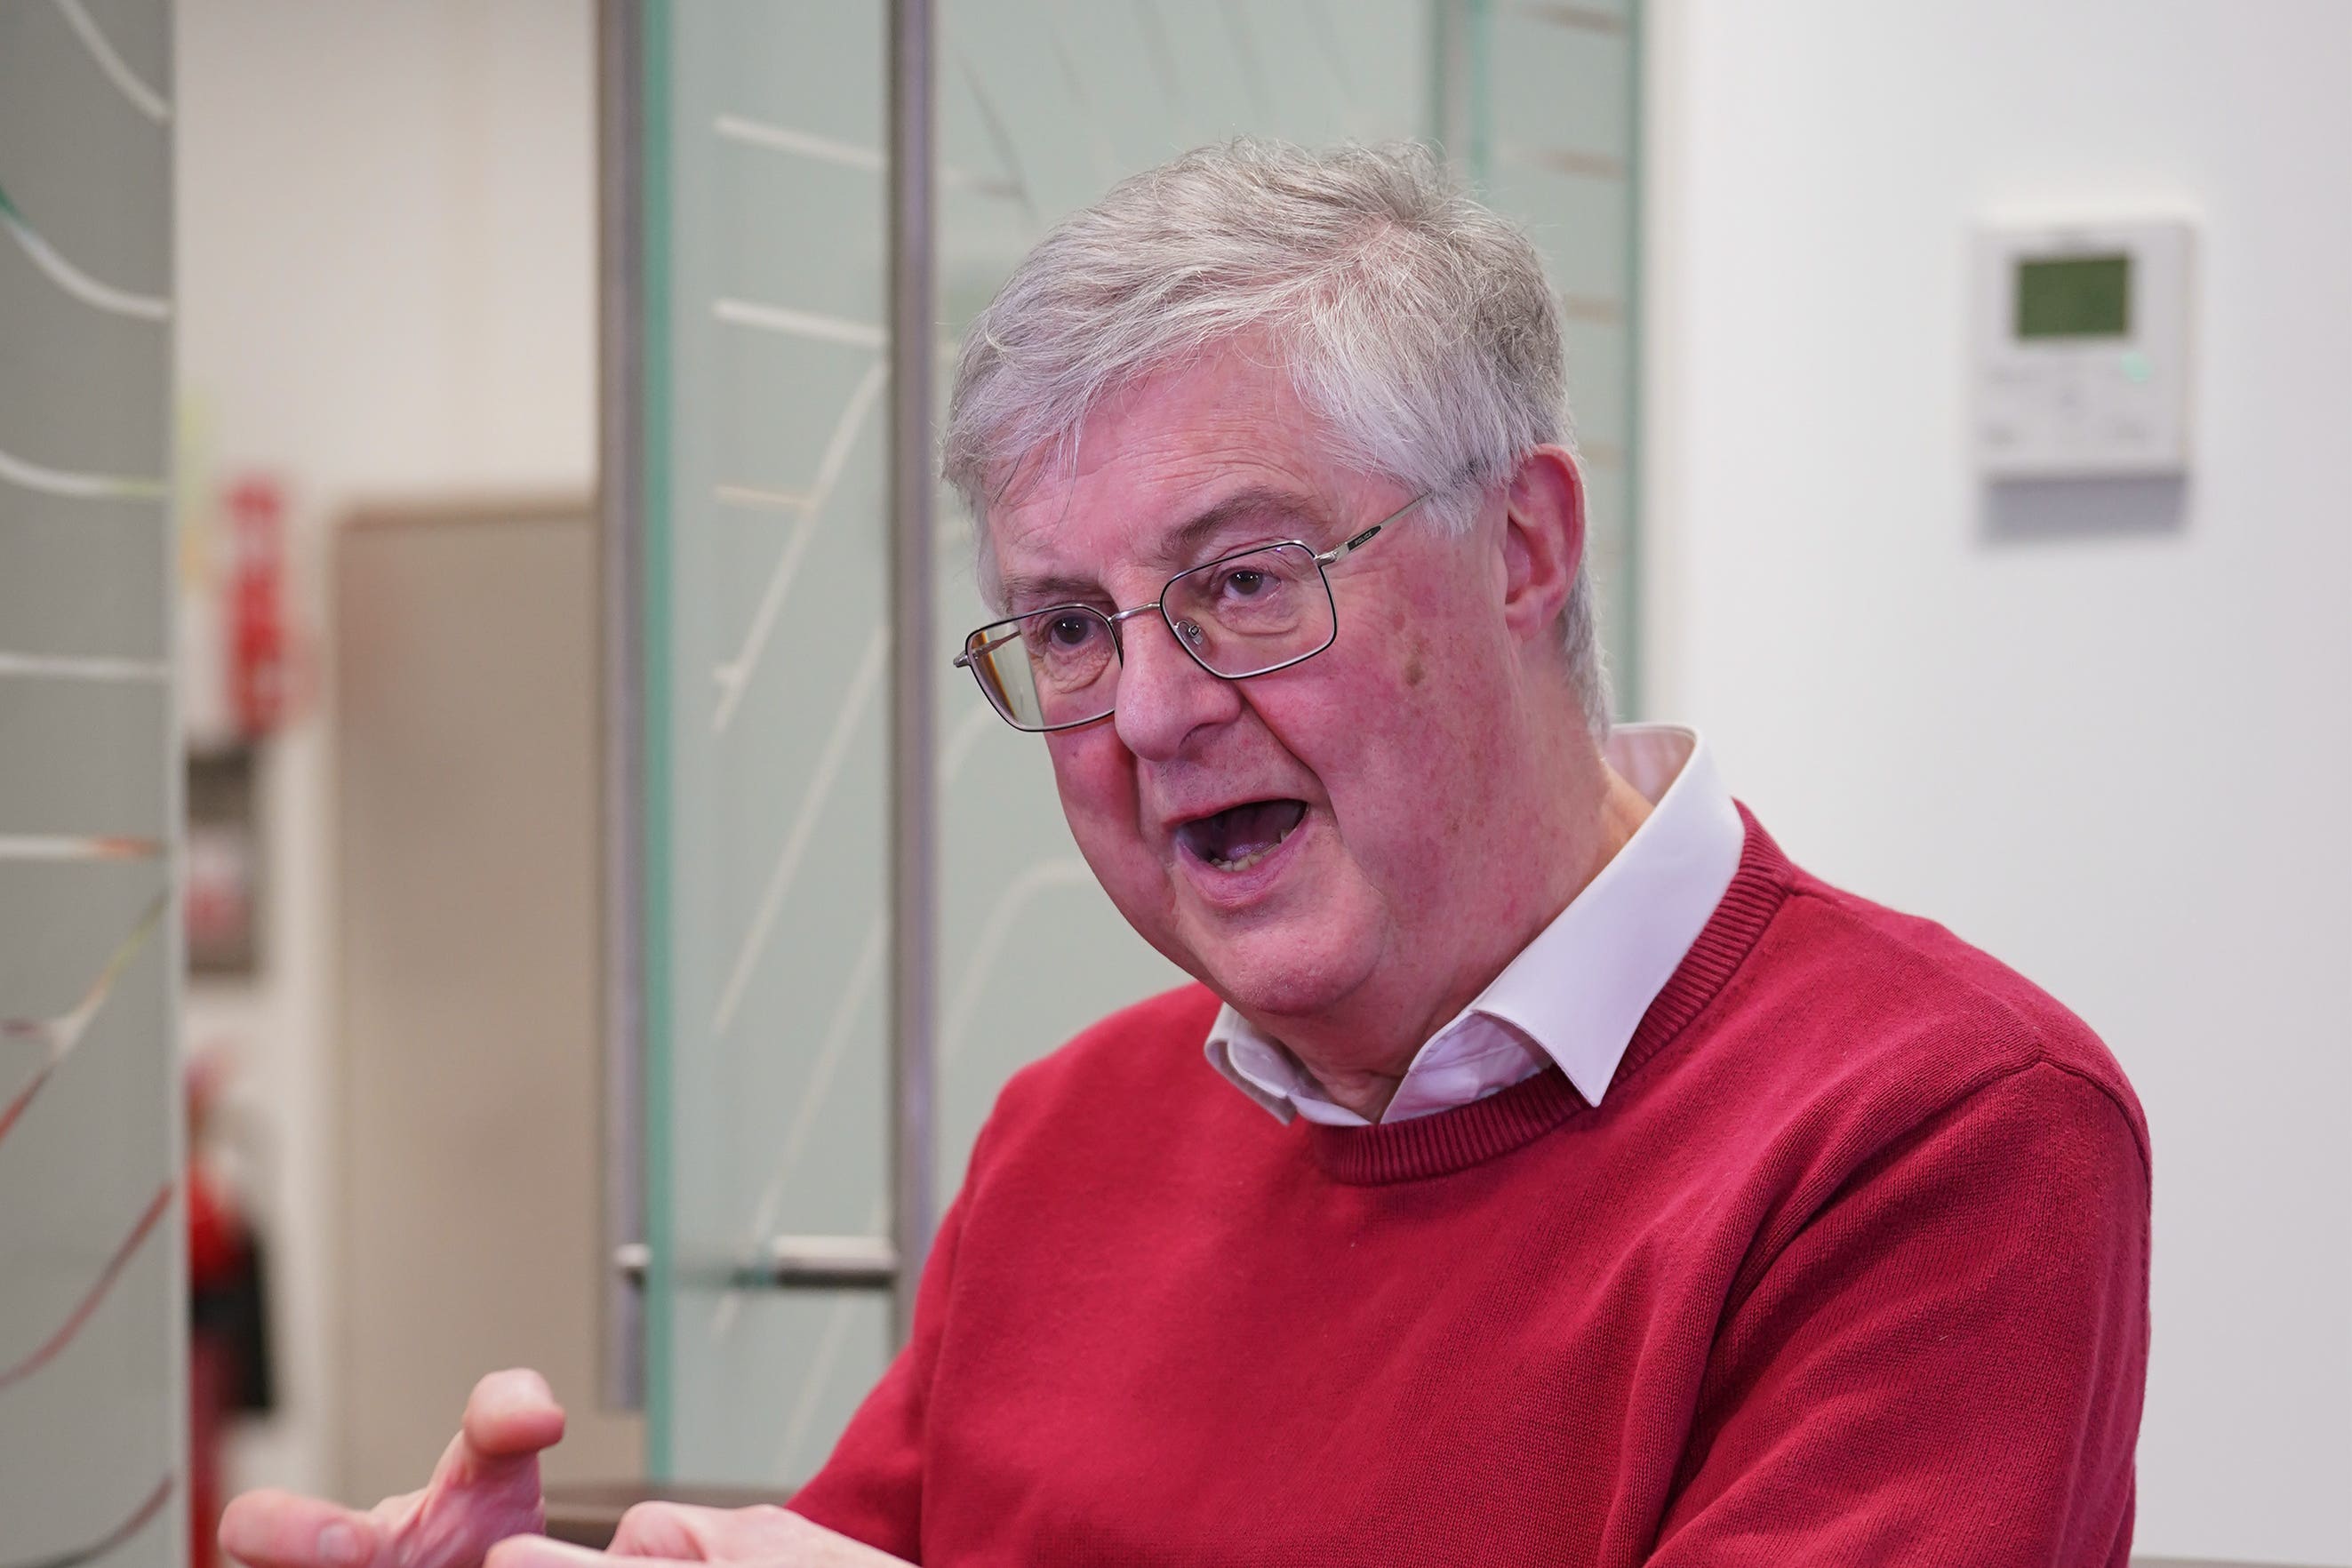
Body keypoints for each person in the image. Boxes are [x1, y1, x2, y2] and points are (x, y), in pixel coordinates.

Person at [221, 140, 2149, 1568]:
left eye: (1241, 582)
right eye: (1065, 625)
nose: (1146, 713)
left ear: (1527, 549)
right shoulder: (1070, 1135)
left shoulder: (1948, 1133)